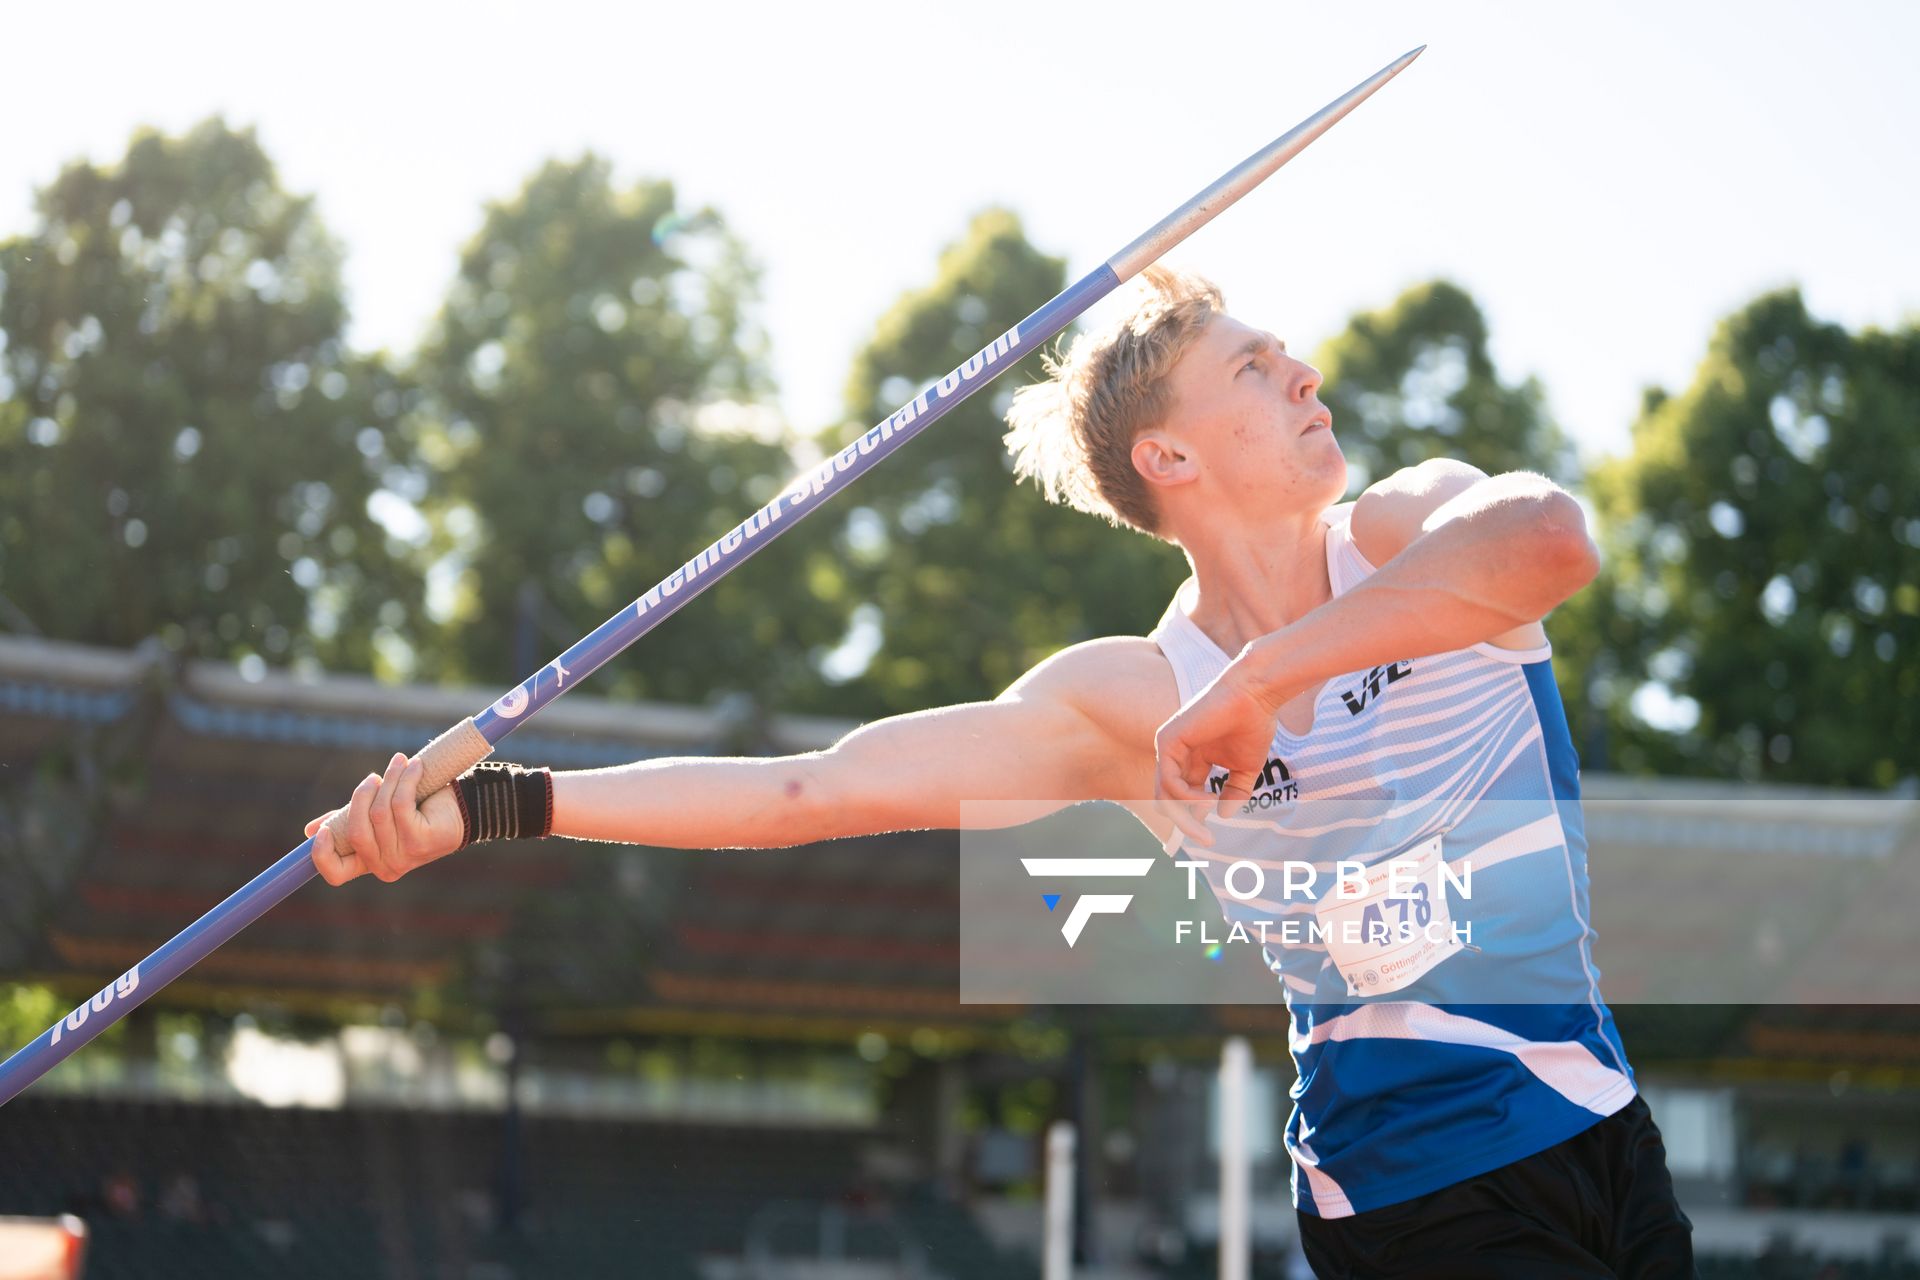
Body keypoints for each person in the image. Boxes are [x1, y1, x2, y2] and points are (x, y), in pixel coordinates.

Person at [308, 268, 1695, 1277]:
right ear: (1171, 456)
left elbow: (1556, 541)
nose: (1307, 374)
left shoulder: (1407, 535)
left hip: (1604, 1126)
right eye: (1259, 369)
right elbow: (820, 789)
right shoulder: (1128, 702)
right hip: (1418, 1187)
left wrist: (1267, 682)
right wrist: (505, 804)